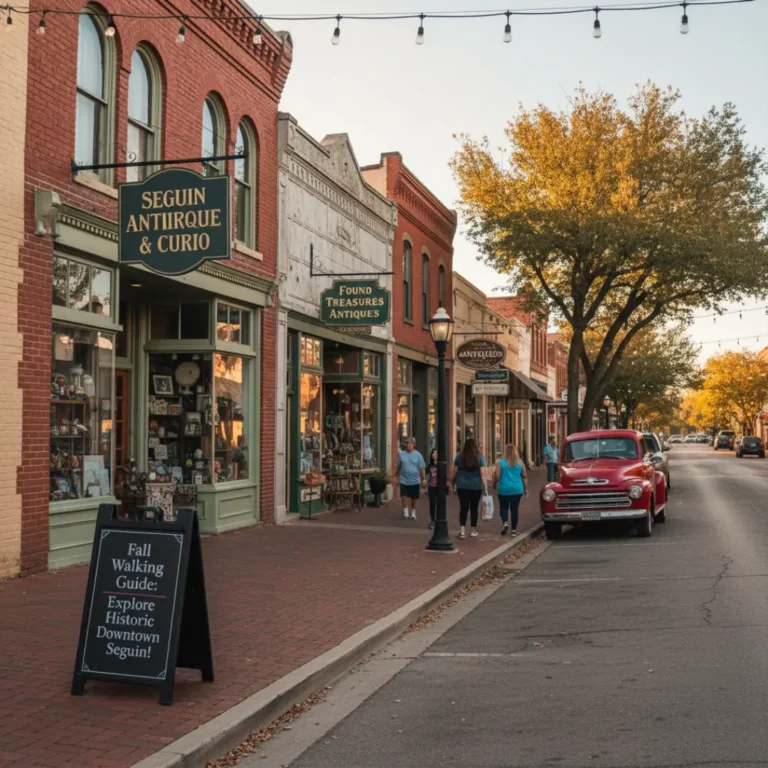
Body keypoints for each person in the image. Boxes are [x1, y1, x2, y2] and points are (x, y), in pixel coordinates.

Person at [452, 438, 488, 540]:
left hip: (462, 485)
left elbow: (454, 470)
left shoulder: (460, 456)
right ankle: (473, 530)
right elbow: (483, 474)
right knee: (474, 508)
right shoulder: (479, 457)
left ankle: (462, 531)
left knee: (463, 508)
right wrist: (485, 488)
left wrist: (453, 482)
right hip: (476, 486)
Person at [494, 444, 528, 536]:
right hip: (517, 489)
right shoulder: (520, 462)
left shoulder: (500, 462)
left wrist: (494, 484)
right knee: (514, 509)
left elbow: (497, 476)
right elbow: (524, 476)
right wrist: (526, 489)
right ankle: (513, 530)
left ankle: (505, 522)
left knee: (503, 507)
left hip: (503, 488)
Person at [392, 437, 426, 520]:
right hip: (404, 479)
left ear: (414, 445)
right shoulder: (401, 454)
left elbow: (421, 468)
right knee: (403, 496)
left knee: (414, 497)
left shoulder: (418, 455)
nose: (408, 445)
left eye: (410, 443)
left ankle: (413, 512)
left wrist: (423, 479)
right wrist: (395, 476)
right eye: (407, 443)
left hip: (415, 480)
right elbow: (399, 467)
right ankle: (406, 512)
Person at [426, 448, 451, 530]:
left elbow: (445, 477)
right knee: (432, 504)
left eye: (437, 453)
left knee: (440, 505)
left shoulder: (442, 465)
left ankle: (439, 520)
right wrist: (424, 481)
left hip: (440, 488)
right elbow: (425, 475)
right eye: (433, 453)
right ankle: (432, 520)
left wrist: (448, 484)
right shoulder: (430, 466)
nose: (435, 455)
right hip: (432, 487)